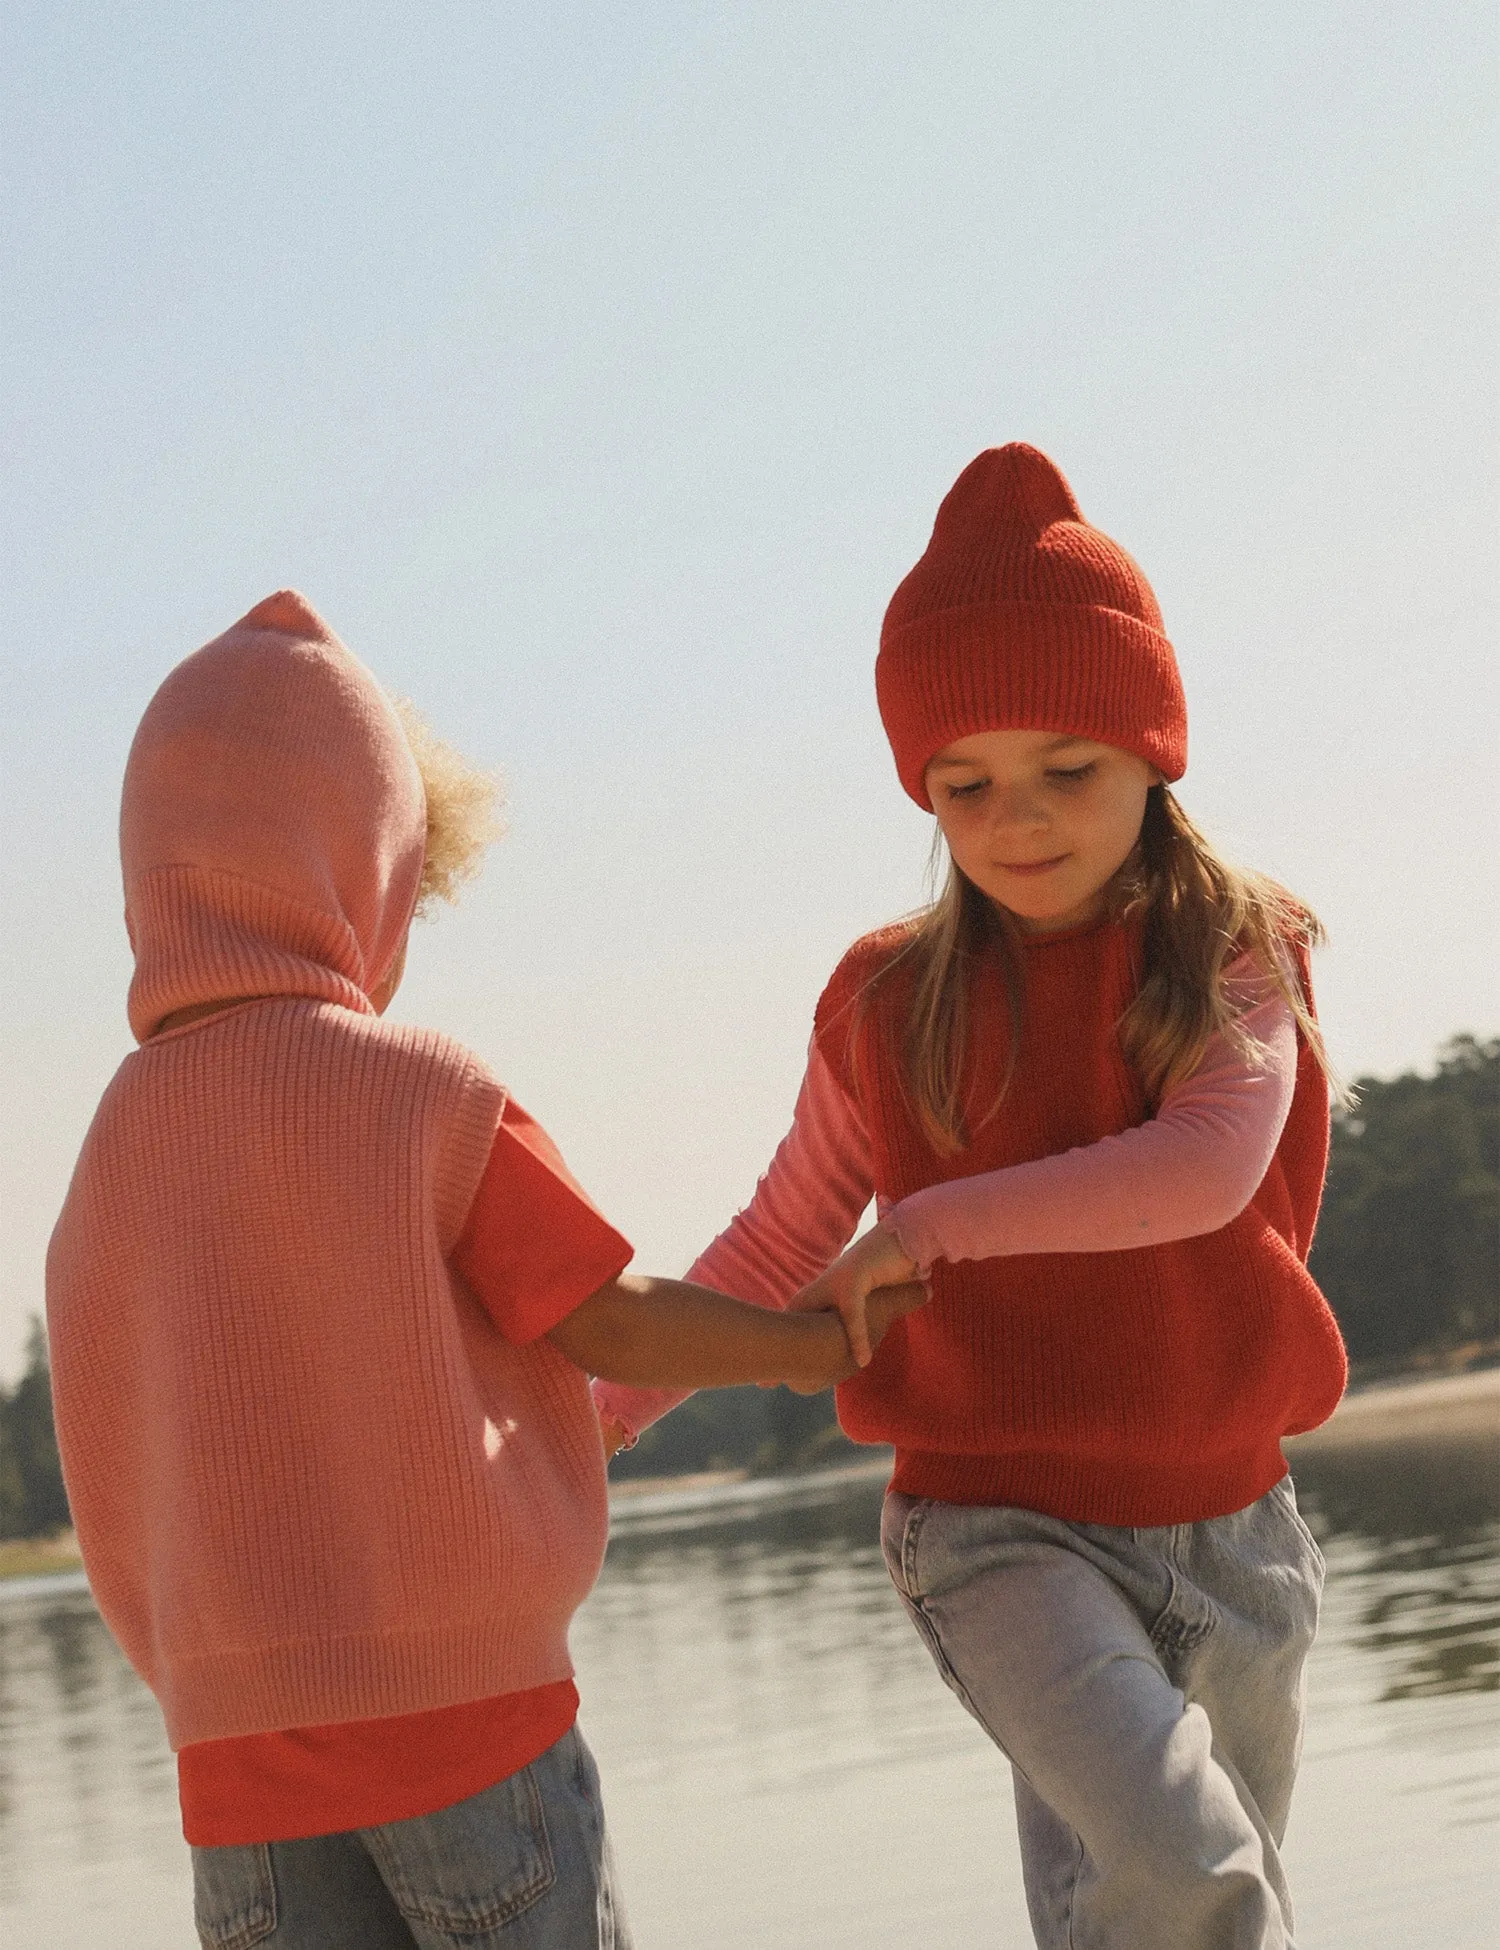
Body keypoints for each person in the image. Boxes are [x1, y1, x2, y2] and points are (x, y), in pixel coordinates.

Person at [45, 590, 921, 1950]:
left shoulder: (111, 1145)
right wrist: (810, 1345)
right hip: (472, 1734)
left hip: (238, 1775)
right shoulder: (424, 1097)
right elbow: (607, 1320)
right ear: (365, 861)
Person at [595, 445, 1347, 1950]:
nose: (1018, 818)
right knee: (1195, 1875)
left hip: (1236, 1532)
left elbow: (1204, 1169)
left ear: (1154, 748)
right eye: (964, 784)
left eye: (1068, 768)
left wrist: (934, 1221)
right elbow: (783, 1236)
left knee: (1188, 1905)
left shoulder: (1237, 952)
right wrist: (578, 1421)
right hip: (996, 1527)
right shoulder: (889, 1001)